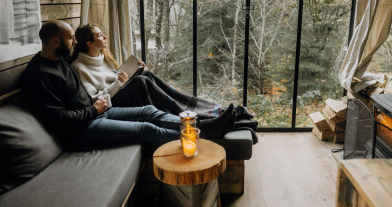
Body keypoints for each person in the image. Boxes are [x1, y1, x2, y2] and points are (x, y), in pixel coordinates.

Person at [19, 20, 236, 149]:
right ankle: (205, 136)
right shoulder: (39, 74)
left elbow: (95, 76)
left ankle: (203, 124)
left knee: (150, 111)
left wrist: (99, 104)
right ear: (55, 42)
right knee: (146, 128)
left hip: (97, 113)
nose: (74, 42)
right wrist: (93, 109)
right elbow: (59, 120)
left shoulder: (59, 59)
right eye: (70, 39)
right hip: (80, 130)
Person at [70, 23, 255, 123]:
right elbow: (94, 99)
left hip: (120, 92)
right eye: (100, 35)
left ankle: (217, 109)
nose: (104, 37)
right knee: (141, 82)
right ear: (89, 43)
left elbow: (117, 78)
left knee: (146, 76)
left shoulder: (103, 57)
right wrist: (119, 82)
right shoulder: (79, 68)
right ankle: (196, 117)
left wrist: (134, 71)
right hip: (110, 104)